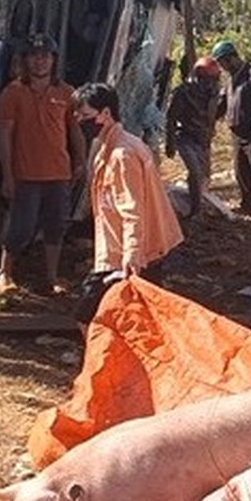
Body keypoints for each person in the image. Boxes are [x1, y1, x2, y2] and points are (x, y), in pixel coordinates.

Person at [72, 83, 184, 323]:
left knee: (87, 313)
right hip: (131, 249)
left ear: (105, 114)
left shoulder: (122, 154)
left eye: (85, 115)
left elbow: (132, 210)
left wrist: (131, 258)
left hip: (131, 253)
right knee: (141, 316)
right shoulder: (113, 145)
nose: (79, 120)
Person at [0, 34, 85, 294]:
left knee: (55, 226)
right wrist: (7, 175)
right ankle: (4, 273)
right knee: (21, 227)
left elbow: (75, 130)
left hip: (58, 173)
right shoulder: (13, 93)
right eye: (34, 56)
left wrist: (81, 160)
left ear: (53, 60)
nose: (39, 61)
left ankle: (52, 277)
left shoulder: (67, 93)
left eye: (45, 56)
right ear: (25, 61)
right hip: (26, 175)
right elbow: (5, 138)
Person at [210, 39, 251, 217]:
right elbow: (222, 105)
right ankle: (248, 205)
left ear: (231, 58)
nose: (223, 67)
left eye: (223, 63)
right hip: (236, 133)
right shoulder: (231, 81)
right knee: (241, 172)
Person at [164, 55, 221, 218]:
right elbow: (171, 118)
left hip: (202, 140)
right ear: (198, 77)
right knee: (195, 172)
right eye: (206, 80)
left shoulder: (214, 93)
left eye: (213, 80)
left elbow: (213, 114)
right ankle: (195, 211)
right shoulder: (184, 93)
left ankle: (194, 203)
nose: (209, 84)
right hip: (185, 138)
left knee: (200, 175)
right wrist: (171, 142)